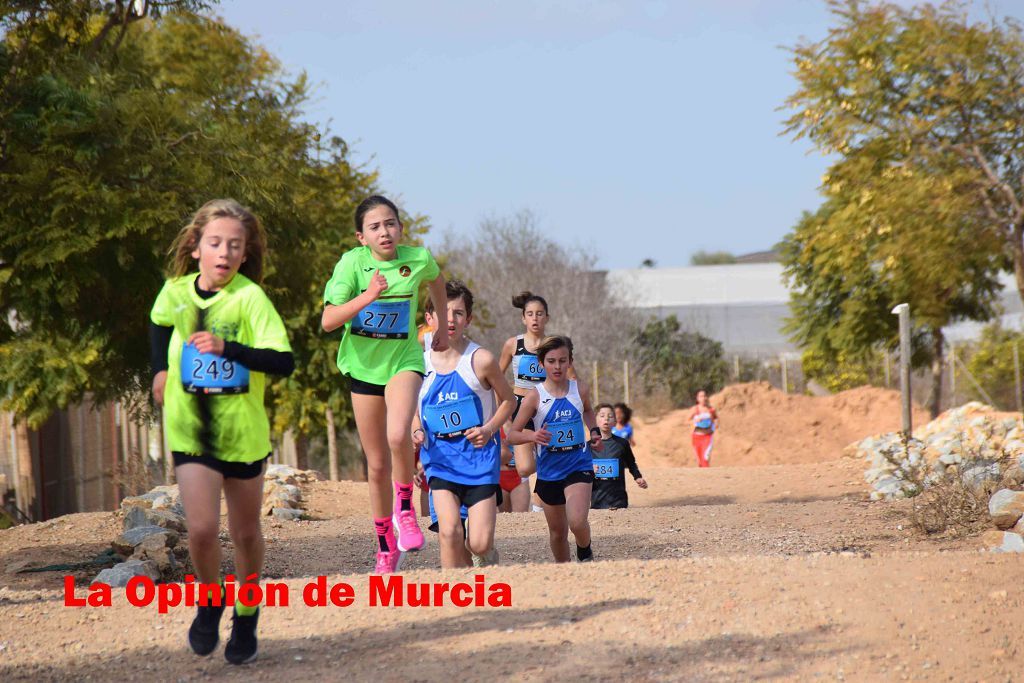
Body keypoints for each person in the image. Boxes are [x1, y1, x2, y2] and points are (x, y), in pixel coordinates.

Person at [150, 199, 294, 664]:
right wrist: (157, 371)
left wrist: (228, 348)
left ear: (245, 251)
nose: (225, 253)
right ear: (196, 247)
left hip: (243, 433)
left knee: (248, 533)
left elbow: (282, 361)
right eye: (215, 243)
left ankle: (247, 613)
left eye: (235, 245)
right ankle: (210, 601)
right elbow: (156, 325)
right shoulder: (174, 293)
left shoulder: (250, 298)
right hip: (191, 429)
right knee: (203, 529)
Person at [322, 195, 449, 574]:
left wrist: (439, 322)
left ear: (400, 228)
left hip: (402, 361)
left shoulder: (417, 258)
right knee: (376, 465)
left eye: (390, 223)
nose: (385, 232)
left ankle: (405, 509)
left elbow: (438, 282)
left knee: (399, 436)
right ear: (362, 237)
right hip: (362, 369)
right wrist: (368, 296)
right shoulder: (352, 264)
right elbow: (329, 320)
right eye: (375, 227)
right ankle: (384, 544)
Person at [412, 280, 516, 568]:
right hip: (440, 459)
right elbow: (411, 408)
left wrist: (488, 429)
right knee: (449, 532)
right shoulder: (417, 364)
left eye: (458, 313)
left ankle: (483, 559)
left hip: (479, 460)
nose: (450, 320)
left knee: (478, 543)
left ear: (468, 319)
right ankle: (455, 597)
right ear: (429, 318)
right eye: (443, 313)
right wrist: (416, 429)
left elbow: (509, 401)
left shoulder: (480, 360)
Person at [508, 335, 602, 563]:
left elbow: (588, 411)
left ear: (570, 361)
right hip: (549, 472)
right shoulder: (534, 397)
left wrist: (594, 430)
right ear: (541, 364)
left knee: (577, 521)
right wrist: (533, 435)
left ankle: (585, 550)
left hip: (578, 465)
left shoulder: (579, 389)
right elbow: (512, 434)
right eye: (551, 361)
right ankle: (564, 572)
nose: (557, 366)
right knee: (558, 533)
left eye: (562, 360)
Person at [591, 403, 647, 509]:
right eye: (602, 416)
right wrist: (589, 469)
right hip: (597, 501)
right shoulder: (588, 446)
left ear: (615, 422)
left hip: (619, 501)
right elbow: (580, 470)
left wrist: (638, 477)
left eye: (610, 416)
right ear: (595, 421)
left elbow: (631, 463)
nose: (606, 419)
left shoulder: (623, 443)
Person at [689, 389, 719, 468]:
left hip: (707, 437)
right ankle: (702, 478)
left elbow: (716, 418)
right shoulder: (694, 409)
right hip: (696, 437)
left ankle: (708, 477)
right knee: (700, 461)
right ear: (697, 398)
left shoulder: (711, 409)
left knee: (705, 458)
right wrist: (694, 421)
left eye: (705, 396)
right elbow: (686, 421)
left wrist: (716, 424)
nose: (704, 398)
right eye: (701, 396)